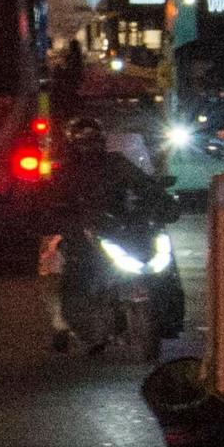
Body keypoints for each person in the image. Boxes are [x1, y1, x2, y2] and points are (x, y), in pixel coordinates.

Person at [45, 113, 179, 353]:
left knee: (166, 267)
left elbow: (144, 185)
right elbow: (51, 201)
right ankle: (68, 323)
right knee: (72, 269)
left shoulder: (117, 163)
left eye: (94, 139)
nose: (90, 145)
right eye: (84, 140)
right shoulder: (64, 172)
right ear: (73, 143)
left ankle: (168, 317)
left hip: (120, 229)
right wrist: (64, 217)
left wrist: (162, 202)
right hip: (84, 234)